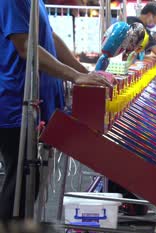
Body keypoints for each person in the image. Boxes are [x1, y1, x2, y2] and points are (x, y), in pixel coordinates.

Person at [0, 0, 112, 220]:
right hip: (18, 104)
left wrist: (82, 73)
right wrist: (74, 76)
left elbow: (49, 36)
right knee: (20, 187)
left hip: (38, 102)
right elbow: (24, 46)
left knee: (29, 185)